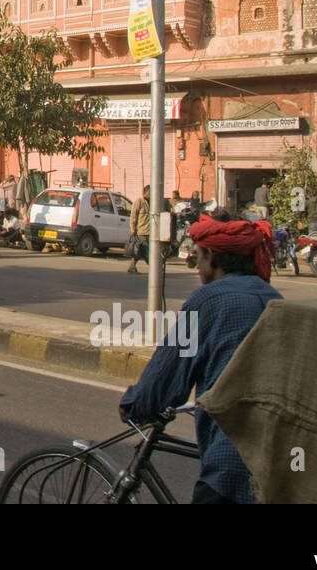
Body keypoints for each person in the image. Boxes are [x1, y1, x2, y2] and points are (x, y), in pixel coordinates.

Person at [119, 216, 282, 504]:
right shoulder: (273, 297)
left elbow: (167, 376)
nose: (198, 269)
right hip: (280, 461)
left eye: (198, 258)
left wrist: (136, 405)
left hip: (232, 465)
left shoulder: (208, 299)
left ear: (213, 259)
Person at [127, 184, 152, 274]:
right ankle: (154, 269)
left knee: (139, 251)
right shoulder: (139, 201)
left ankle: (132, 267)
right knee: (147, 251)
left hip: (149, 231)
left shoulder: (152, 202)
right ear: (146, 193)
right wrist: (133, 229)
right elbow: (133, 215)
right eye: (150, 193)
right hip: (141, 231)